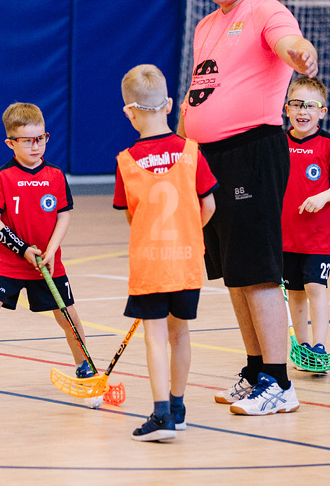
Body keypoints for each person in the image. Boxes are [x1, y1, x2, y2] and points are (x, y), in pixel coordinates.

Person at [177, 0, 319, 416]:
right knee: (234, 274)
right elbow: (199, 93)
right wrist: (183, 153)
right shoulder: (206, 25)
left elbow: (288, 41)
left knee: (257, 271)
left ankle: (280, 384)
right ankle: (257, 371)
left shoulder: (265, 11)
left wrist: (299, 51)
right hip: (208, 158)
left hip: (251, 153)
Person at [0, 102, 96, 397]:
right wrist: (23, 248)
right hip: (9, 262)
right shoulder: (4, 176)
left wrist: (51, 250)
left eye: (41, 138)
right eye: (27, 141)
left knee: (67, 315)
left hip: (47, 263)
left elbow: (63, 215)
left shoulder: (55, 175)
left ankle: (84, 365)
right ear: (10, 143)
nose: (36, 146)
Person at [114, 65, 217, 441]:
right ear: (170, 105)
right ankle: (177, 407)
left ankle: (161, 417)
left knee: (155, 336)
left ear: (129, 112)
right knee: (180, 332)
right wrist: (187, 233)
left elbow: (132, 214)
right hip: (186, 261)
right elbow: (209, 206)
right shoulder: (192, 152)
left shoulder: (126, 161)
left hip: (149, 265)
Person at [282, 76, 330, 364]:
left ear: (322, 112)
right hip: (285, 236)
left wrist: (323, 197)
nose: (303, 111)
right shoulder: (278, 143)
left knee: (315, 287)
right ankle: (303, 348)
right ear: (287, 109)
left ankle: (319, 346)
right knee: (295, 293)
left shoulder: (329, 144)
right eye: (297, 104)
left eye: (310, 105)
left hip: (318, 236)